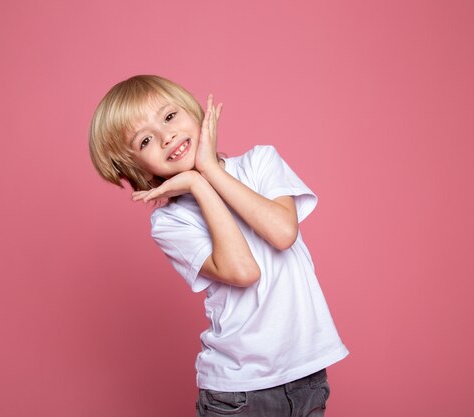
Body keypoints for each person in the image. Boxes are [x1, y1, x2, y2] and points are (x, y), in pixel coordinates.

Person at [89, 74, 348, 416]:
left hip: (307, 376)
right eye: (146, 141)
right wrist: (198, 184)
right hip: (239, 392)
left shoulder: (260, 162)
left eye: (169, 117)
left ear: (194, 111)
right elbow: (243, 271)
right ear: (136, 166)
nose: (167, 136)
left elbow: (283, 233)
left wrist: (209, 170)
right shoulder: (170, 223)